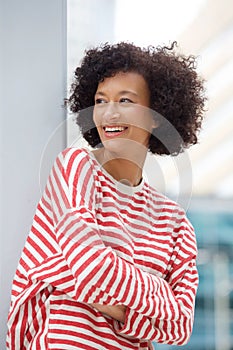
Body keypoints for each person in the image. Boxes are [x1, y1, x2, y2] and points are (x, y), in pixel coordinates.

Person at [7, 42, 206, 349]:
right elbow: (90, 267)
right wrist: (158, 295)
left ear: (156, 115)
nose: (108, 113)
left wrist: (113, 304)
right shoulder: (75, 168)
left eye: (124, 100)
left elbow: (180, 325)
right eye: (100, 101)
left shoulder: (175, 221)